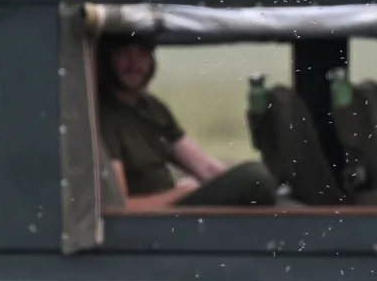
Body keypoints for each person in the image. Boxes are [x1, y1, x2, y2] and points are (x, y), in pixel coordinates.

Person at [95, 36, 279, 210]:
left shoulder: (151, 107)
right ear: (107, 60)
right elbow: (120, 207)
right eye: (124, 55)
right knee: (255, 177)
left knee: (258, 181)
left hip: (173, 202)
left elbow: (206, 167)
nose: (134, 64)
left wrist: (235, 182)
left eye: (141, 55)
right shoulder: (103, 115)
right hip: (154, 219)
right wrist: (180, 193)